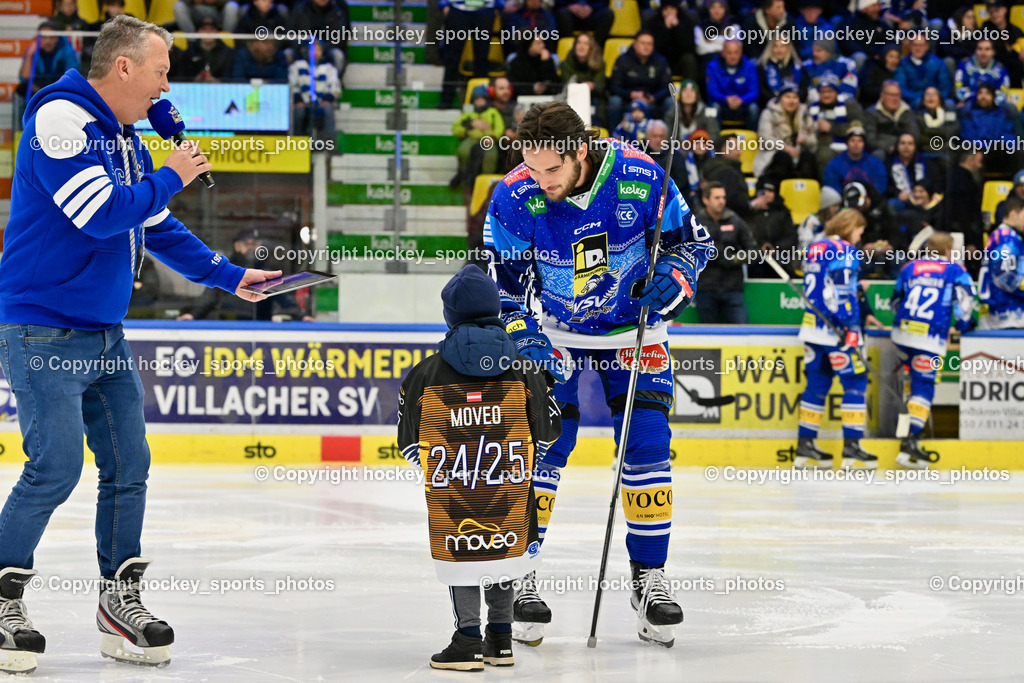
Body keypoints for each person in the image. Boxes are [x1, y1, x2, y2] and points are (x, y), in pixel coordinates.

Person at [0, 15, 282, 673]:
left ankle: (117, 601)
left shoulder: (123, 138)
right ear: (123, 66)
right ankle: (2, 597)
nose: (166, 86)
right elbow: (101, 214)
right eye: (161, 71)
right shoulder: (60, 121)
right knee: (56, 466)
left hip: (104, 331)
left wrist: (230, 276)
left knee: (130, 464)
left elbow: (152, 222)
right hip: (42, 328)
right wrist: (173, 172)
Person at [484, 101, 714, 648]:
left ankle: (648, 579)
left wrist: (677, 278)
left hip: (634, 330)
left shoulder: (641, 176)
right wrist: (525, 338)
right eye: (531, 167)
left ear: (580, 152)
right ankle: (520, 573)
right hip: (554, 331)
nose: (541, 181)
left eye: (552, 170)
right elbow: (503, 288)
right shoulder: (513, 195)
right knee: (543, 445)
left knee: (647, 446)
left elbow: (694, 244)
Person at [396, 264, 560, 671]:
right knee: (504, 555)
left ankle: (467, 641)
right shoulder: (525, 369)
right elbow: (548, 431)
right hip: (511, 491)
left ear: (449, 316)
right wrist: (519, 471)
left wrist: (443, 476)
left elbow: (408, 440)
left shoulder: (424, 373)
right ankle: (500, 640)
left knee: (462, 559)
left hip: (452, 494)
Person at [794, 209, 878, 470]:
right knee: (855, 382)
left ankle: (805, 447)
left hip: (812, 328)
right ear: (850, 226)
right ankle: (852, 449)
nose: (860, 236)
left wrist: (856, 288)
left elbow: (824, 286)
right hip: (838, 332)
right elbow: (842, 292)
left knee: (816, 385)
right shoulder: (846, 251)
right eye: (860, 230)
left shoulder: (815, 247)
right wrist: (851, 326)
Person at [890, 232, 976, 467]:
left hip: (901, 335)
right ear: (949, 250)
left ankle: (905, 432)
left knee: (910, 385)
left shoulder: (909, 268)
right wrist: (964, 324)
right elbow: (965, 303)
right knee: (924, 387)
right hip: (929, 338)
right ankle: (910, 443)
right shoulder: (955, 270)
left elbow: (895, 301)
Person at [693, 182, 756, 324]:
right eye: (717, 198)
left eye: (723, 197)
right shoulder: (696, 222)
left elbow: (753, 251)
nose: (722, 201)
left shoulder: (735, 220)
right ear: (705, 200)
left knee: (742, 332)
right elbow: (687, 251)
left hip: (732, 287)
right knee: (708, 334)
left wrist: (734, 259)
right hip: (705, 288)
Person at [752, 83, 817, 183]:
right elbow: (765, 139)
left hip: (799, 154)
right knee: (783, 158)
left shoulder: (805, 114)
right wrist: (785, 148)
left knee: (808, 157)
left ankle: (807, 191)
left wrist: (805, 139)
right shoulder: (769, 113)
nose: (791, 101)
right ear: (780, 99)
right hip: (775, 156)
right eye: (787, 97)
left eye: (795, 97)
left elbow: (814, 141)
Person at [608, 31, 674, 128]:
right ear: (635, 44)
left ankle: (668, 136)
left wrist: (653, 97)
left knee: (670, 102)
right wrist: (631, 94)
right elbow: (614, 87)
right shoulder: (623, 60)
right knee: (614, 101)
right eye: (642, 43)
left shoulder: (660, 61)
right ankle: (614, 133)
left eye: (649, 44)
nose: (646, 47)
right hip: (628, 100)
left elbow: (668, 87)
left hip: (652, 100)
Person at [979, 195, 1024, 329]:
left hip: (999, 308)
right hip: (1008, 312)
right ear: (1013, 214)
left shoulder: (998, 234)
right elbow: (1004, 276)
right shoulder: (1008, 238)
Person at [449, 84, 503, 190]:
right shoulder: (468, 114)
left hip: (487, 139)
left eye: (482, 98)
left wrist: (493, 137)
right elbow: (456, 128)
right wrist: (470, 125)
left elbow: (499, 127)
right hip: (471, 138)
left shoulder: (493, 113)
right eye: (477, 99)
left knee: (490, 156)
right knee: (463, 151)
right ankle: (463, 174)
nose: (479, 101)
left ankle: (486, 180)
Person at [808, 74, 866, 171]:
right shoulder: (812, 108)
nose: (826, 95)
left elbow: (858, 126)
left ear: (836, 92)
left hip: (848, 146)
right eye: (823, 92)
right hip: (821, 148)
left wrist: (832, 128)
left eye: (830, 91)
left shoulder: (850, 105)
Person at [287, 39, 340, 140]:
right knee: (298, 111)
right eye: (312, 49)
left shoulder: (329, 68)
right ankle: (297, 140)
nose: (315, 52)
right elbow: (292, 85)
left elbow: (334, 86)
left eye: (318, 49)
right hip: (303, 102)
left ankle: (329, 143)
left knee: (328, 110)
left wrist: (327, 98)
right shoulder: (296, 66)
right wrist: (297, 99)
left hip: (321, 102)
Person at [746, 177, 798, 278]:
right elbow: (745, 236)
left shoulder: (782, 212)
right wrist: (759, 249)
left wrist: (775, 247)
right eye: (763, 191)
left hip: (779, 256)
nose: (767, 194)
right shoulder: (748, 213)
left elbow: (791, 237)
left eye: (770, 191)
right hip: (755, 257)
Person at [17, 20, 79, 99]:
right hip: (37, 92)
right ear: (38, 38)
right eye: (44, 37)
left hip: (60, 91)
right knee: (21, 89)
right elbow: (24, 77)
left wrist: (51, 95)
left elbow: (71, 77)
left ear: (57, 38)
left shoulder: (67, 50)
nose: (48, 41)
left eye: (51, 37)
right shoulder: (32, 50)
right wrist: (29, 55)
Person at [705, 39, 759, 130]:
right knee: (713, 107)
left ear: (741, 53)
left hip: (743, 104)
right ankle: (714, 136)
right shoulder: (712, 67)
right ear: (723, 53)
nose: (733, 56)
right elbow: (712, 92)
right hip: (722, 103)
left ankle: (753, 137)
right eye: (729, 53)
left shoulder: (750, 66)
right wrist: (726, 99)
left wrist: (742, 100)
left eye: (736, 52)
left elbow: (754, 92)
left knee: (754, 108)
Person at [642, 0, 698, 84]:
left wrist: (678, 28)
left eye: (672, 8)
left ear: (677, 9)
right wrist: (666, 29)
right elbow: (655, 47)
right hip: (660, 61)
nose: (669, 12)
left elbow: (689, 47)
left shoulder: (686, 21)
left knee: (689, 59)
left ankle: (689, 88)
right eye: (666, 9)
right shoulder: (653, 23)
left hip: (679, 61)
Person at [894, 32, 953, 110]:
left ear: (927, 46)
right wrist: (923, 98)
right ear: (910, 46)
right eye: (915, 45)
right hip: (914, 99)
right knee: (917, 103)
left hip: (936, 98)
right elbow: (901, 88)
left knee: (950, 104)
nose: (918, 48)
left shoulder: (938, 63)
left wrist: (937, 98)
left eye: (921, 45)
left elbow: (945, 87)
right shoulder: (903, 65)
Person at [558, 33, 607, 127]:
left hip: (594, 97)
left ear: (591, 47)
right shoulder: (566, 64)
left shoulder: (599, 62)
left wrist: (593, 86)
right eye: (579, 43)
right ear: (575, 45)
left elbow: (601, 85)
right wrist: (584, 86)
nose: (581, 46)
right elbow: (567, 85)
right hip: (571, 98)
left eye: (586, 44)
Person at [864, 80, 919, 161]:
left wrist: (902, 147)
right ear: (882, 96)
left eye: (897, 95)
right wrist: (889, 148)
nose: (895, 99)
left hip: (904, 151)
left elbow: (914, 134)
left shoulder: (907, 112)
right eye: (891, 95)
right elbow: (870, 140)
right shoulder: (871, 113)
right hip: (883, 151)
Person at [823, 127, 888, 195]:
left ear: (864, 144)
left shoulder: (876, 163)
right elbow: (832, 188)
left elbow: (881, 185)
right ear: (847, 143)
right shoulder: (834, 165)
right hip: (843, 199)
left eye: (860, 141)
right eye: (852, 140)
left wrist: (868, 197)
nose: (856, 144)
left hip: (870, 199)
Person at [169, 16, 234, 83]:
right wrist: (194, 80)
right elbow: (182, 77)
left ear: (217, 32)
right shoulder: (189, 53)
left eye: (212, 29)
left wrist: (218, 82)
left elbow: (232, 78)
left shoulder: (228, 53)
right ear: (198, 32)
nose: (208, 32)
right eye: (204, 29)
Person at [954, 39, 1010, 106]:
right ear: (975, 51)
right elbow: (959, 87)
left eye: (987, 49)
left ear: (993, 52)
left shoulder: (1001, 69)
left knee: (1009, 106)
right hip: (969, 103)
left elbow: (1003, 92)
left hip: (992, 106)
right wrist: (977, 99)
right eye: (980, 49)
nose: (983, 53)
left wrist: (989, 101)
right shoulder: (964, 64)